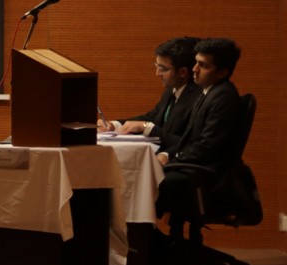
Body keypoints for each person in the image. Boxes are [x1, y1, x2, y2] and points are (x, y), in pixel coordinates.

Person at [155, 38, 244, 228]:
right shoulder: (209, 92)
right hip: (198, 168)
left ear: (222, 72)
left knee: (148, 178)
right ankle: (150, 240)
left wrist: (172, 157)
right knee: (148, 171)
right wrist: (167, 154)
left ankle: (146, 241)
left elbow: (207, 147)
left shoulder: (223, 97)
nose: (194, 69)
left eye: (203, 65)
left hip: (209, 176)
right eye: (196, 62)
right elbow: (192, 140)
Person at [98, 36, 202, 152]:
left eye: (162, 69)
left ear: (183, 72)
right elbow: (153, 117)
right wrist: (114, 124)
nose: (157, 74)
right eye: (156, 66)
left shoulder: (199, 97)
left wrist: (147, 127)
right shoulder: (171, 90)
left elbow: (189, 143)